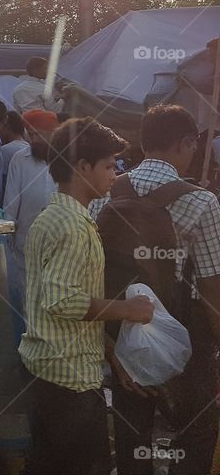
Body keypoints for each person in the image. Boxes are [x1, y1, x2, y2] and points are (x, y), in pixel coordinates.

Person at [90, 105, 220, 475]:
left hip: (123, 325)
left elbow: (92, 270)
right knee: (197, 424)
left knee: (134, 426)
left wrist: (108, 343)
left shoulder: (106, 190)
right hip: (181, 326)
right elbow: (212, 283)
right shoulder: (201, 200)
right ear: (186, 143)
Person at [19, 117, 153, 475]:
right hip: (70, 381)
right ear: (82, 167)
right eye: (110, 166)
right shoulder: (73, 227)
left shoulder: (51, 217)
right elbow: (62, 301)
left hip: (46, 369)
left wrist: (111, 355)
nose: (115, 173)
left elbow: (59, 300)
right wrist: (130, 309)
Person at [3, 109, 59, 293]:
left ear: (54, 132)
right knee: (29, 296)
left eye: (39, 135)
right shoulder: (20, 159)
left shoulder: (68, 158)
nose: (34, 139)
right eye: (31, 134)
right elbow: (11, 201)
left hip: (61, 242)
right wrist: (9, 231)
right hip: (26, 243)